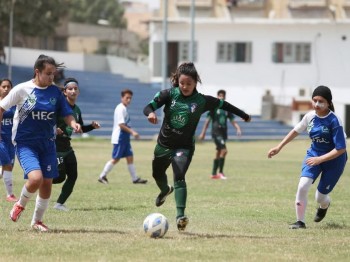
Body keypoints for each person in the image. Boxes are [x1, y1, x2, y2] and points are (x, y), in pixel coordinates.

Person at [143, 62, 251, 231]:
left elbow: (224, 105)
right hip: (164, 144)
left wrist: (243, 115)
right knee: (157, 174)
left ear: (196, 83)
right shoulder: (168, 94)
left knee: (179, 175)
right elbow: (149, 106)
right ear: (177, 81)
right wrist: (150, 112)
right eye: (182, 83)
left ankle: (180, 217)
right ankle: (165, 190)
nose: (185, 86)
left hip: (184, 147)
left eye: (189, 84)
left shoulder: (202, 101)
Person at [0, 54, 82, 232]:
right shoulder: (22, 89)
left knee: (46, 182)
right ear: (37, 72)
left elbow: (66, 113)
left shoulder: (55, 92)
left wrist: (73, 123)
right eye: (48, 73)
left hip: (48, 144)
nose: (52, 77)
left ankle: (37, 221)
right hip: (25, 143)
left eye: (54, 74)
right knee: (36, 179)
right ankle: (20, 205)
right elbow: (1, 107)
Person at [268, 85, 347, 229]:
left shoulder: (335, 120)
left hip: (334, 160)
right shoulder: (310, 116)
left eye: (321, 101)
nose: (317, 104)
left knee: (320, 197)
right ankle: (300, 222)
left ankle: (324, 206)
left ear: (329, 103)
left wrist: (320, 159)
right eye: (315, 100)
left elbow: (341, 149)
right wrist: (279, 147)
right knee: (303, 185)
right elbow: (295, 130)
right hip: (314, 154)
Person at [53, 77, 100, 211]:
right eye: (70, 89)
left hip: (67, 147)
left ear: (78, 91)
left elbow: (80, 128)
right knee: (59, 177)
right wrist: (54, 129)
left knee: (73, 176)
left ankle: (59, 204)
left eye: (75, 89)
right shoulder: (59, 107)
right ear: (65, 92)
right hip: (55, 147)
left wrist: (91, 126)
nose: (73, 91)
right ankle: (38, 181)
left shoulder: (77, 110)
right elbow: (49, 121)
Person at [98, 89, 147, 185]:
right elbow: (121, 125)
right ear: (122, 98)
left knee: (130, 157)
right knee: (116, 158)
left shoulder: (124, 108)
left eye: (130, 98)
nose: (128, 100)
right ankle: (102, 176)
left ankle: (135, 178)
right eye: (127, 98)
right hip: (120, 137)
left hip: (124, 137)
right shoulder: (120, 108)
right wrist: (133, 132)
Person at [198, 89, 242, 179]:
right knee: (224, 151)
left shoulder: (227, 109)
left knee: (219, 152)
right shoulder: (213, 108)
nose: (221, 97)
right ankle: (221, 172)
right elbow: (207, 121)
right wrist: (203, 133)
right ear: (217, 96)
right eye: (219, 95)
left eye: (223, 96)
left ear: (224, 97)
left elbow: (232, 120)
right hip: (216, 132)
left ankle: (214, 174)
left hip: (223, 132)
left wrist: (238, 128)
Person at [0, 78, 17, 202]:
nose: (6, 89)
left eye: (8, 87)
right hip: (0, 139)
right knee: (7, 165)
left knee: (8, 167)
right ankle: (10, 195)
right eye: (3, 86)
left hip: (12, 141)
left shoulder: (15, 104)